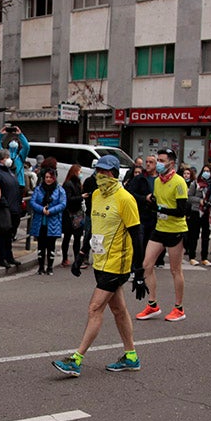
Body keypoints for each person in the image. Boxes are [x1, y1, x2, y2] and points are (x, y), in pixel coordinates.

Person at [51, 155, 146, 376]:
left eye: (105, 172)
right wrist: (82, 253)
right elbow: (93, 226)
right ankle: (131, 356)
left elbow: (137, 234)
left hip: (117, 263)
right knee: (118, 310)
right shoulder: (95, 194)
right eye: (98, 172)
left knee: (95, 308)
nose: (101, 176)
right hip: (100, 260)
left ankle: (76, 359)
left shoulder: (125, 199)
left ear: (114, 174)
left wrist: (139, 271)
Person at [135, 148, 188, 322]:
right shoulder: (158, 181)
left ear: (171, 163)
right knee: (146, 264)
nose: (158, 163)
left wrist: (160, 208)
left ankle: (179, 308)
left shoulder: (179, 182)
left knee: (175, 270)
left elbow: (181, 211)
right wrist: (151, 203)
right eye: (158, 159)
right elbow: (156, 203)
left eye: (162, 160)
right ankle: (152, 304)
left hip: (175, 230)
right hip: (160, 228)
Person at [29, 166, 67, 275]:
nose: (48, 179)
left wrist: (51, 210)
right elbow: (32, 202)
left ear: (54, 178)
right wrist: (42, 209)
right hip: (40, 222)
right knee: (41, 245)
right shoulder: (38, 189)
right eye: (46, 177)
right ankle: (41, 267)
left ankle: (50, 267)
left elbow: (63, 204)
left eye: (50, 177)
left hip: (53, 221)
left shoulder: (60, 190)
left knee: (51, 246)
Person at [0, 148, 21, 268]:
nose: (9, 159)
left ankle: (10, 257)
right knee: (2, 234)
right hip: (3, 208)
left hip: (14, 207)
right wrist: (4, 204)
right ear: (0, 160)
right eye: (6, 157)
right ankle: (2, 258)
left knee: (10, 235)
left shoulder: (9, 171)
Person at [0, 124, 30, 191]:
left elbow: (26, 147)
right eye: (11, 141)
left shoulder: (21, 156)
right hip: (7, 183)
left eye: (16, 142)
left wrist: (20, 135)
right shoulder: (4, 154)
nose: (13, 143)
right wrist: (0, 135)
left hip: (19, 184)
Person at [60, 165, 85, 267]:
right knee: (67, 237)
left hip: (78, 213)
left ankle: (76, 260)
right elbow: (68, 199)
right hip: (69, 214)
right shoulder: (68, 184)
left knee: (77, 238)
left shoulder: (78, 184)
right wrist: (81, 197)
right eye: (80, 172)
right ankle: (65, 258)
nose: (81, 174)